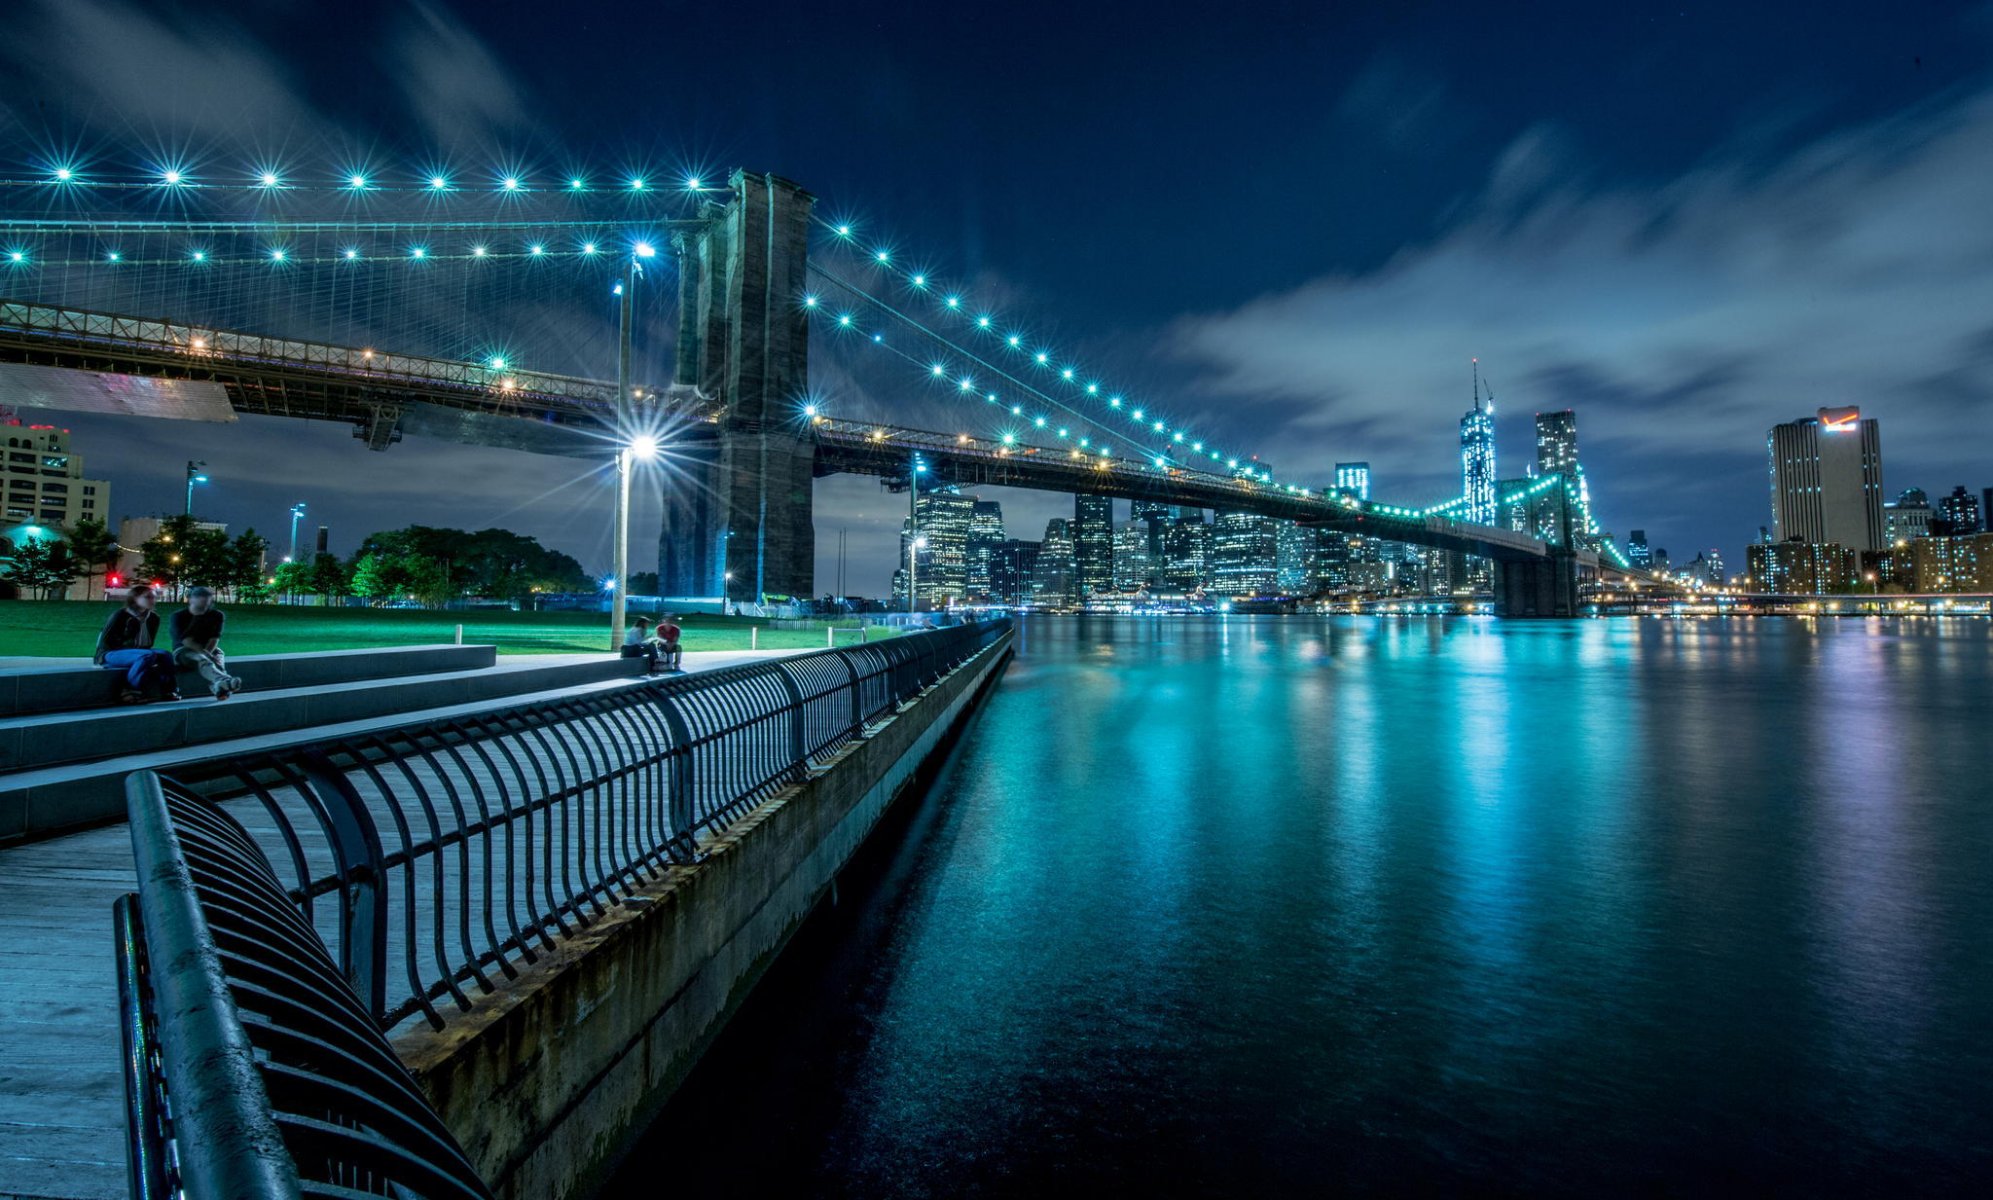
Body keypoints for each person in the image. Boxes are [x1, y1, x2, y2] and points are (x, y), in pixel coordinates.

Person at [92, 584, 178, 703]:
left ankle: (168, 690)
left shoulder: (153, 618)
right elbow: (105, 642)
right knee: (146, 655)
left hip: (137, 652)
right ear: (135, 598)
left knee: (165, 655)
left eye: (154, 597)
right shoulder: (120, 616)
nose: (153, 600)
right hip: (110, 653)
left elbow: (148, 643)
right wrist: (130, 652)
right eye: (148, 597)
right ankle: (129, 691)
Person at [170, 586, 244, 700]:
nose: (204, 606)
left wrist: (208, 653)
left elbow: (214, 638)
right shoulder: (179, 616)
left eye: (207, 602)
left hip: (209, 649)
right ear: (191, 599)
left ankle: (219, 688)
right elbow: (186, 641)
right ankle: (226, 682)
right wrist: (207, 655)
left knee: (218, 658)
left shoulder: (217, 615)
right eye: (200, 601)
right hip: (183, 651)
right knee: (202, 659)